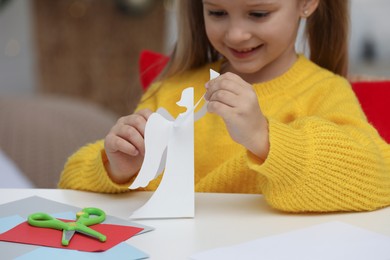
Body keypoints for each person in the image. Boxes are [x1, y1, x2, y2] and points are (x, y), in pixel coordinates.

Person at [58, 0, 390, 213]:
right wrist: (119, 167)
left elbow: (378, 176)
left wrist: (265, 137)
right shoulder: (173, 87)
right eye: (217, 12)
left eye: (258, 14)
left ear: (305, 4)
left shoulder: (324, 91)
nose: (236, 34)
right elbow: (69, 184)